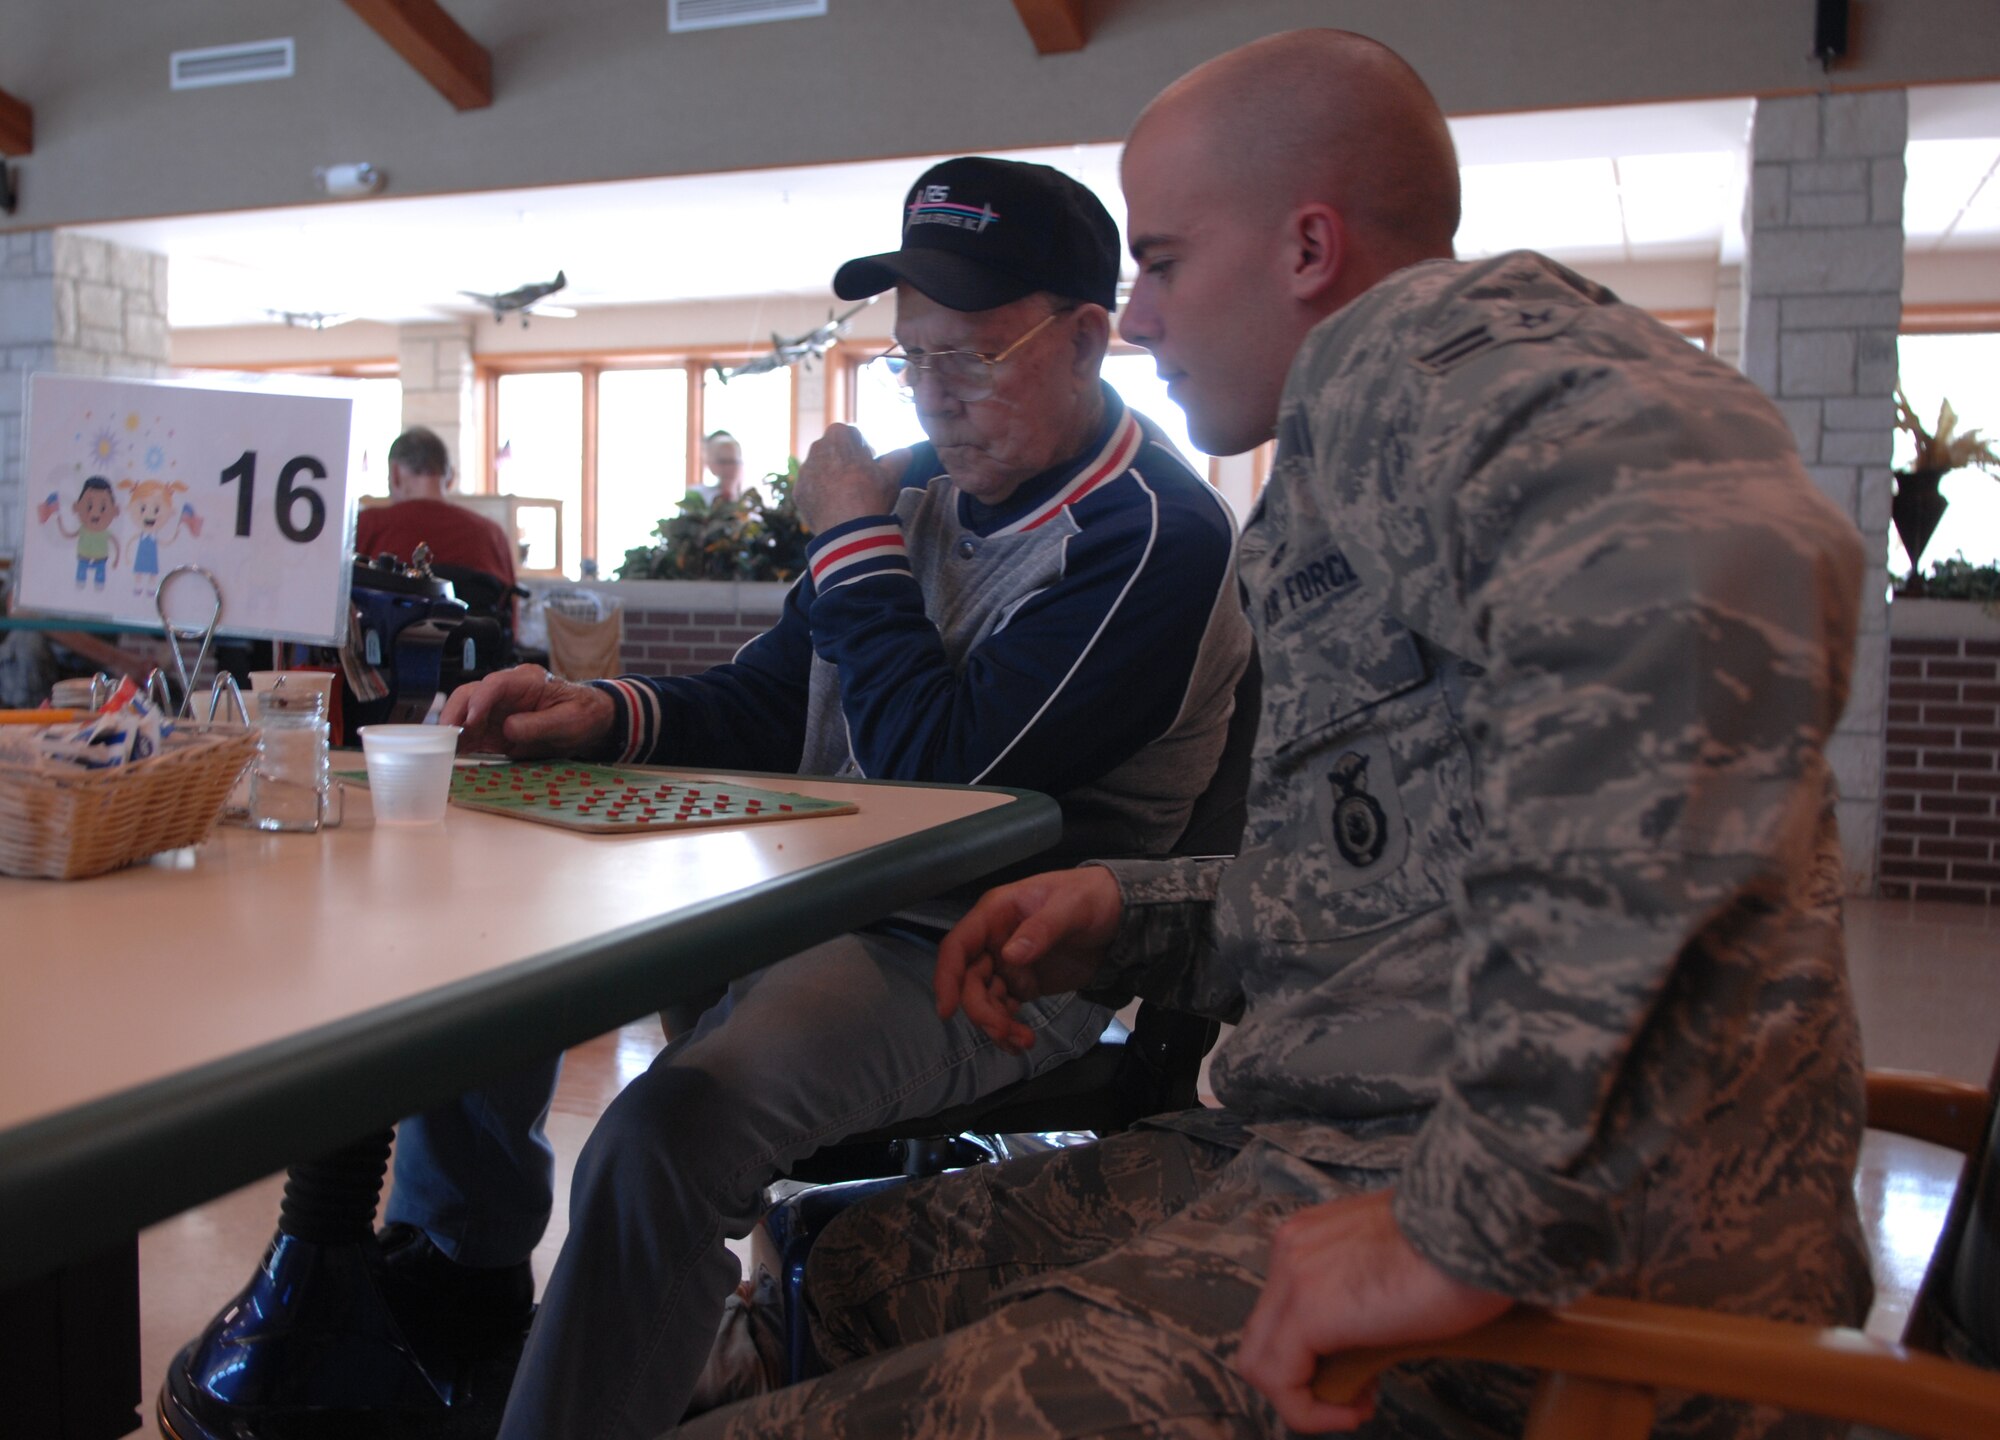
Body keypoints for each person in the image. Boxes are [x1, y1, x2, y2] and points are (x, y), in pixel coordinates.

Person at [674, 30, 1873, 1440]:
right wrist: (1129, 913)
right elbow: (1388, 889)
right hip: (1327, 1152)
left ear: (1308, 248)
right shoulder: (1334, 462)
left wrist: (1465, 1221)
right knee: (838, 1275)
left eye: (1164, 262)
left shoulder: (1429, 358)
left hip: (1571, 1270)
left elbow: (1727, 565)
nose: (1140, 319)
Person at [162, 156, 1251, 1440]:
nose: (934, 395)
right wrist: (604, 713)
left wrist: (849, 537)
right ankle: (459, 1291)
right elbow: (775, 694)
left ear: (1083, 339)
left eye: (971, 356)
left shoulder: (1151, 534)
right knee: (482, 963)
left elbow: (945, 770)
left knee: (660, 1140)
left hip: (988, 953)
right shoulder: (912, 488)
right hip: (815, 894)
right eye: (911, 357)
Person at [357, 425, 519, 588]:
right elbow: (511, 601)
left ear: (395, 474)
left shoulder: (368, 526)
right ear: (451, 477)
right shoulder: (492, 536)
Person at [689, 430, 744, 506]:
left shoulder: (749, 502)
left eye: (733, 461)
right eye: (722, 462)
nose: (728, 468)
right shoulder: (698, 497)